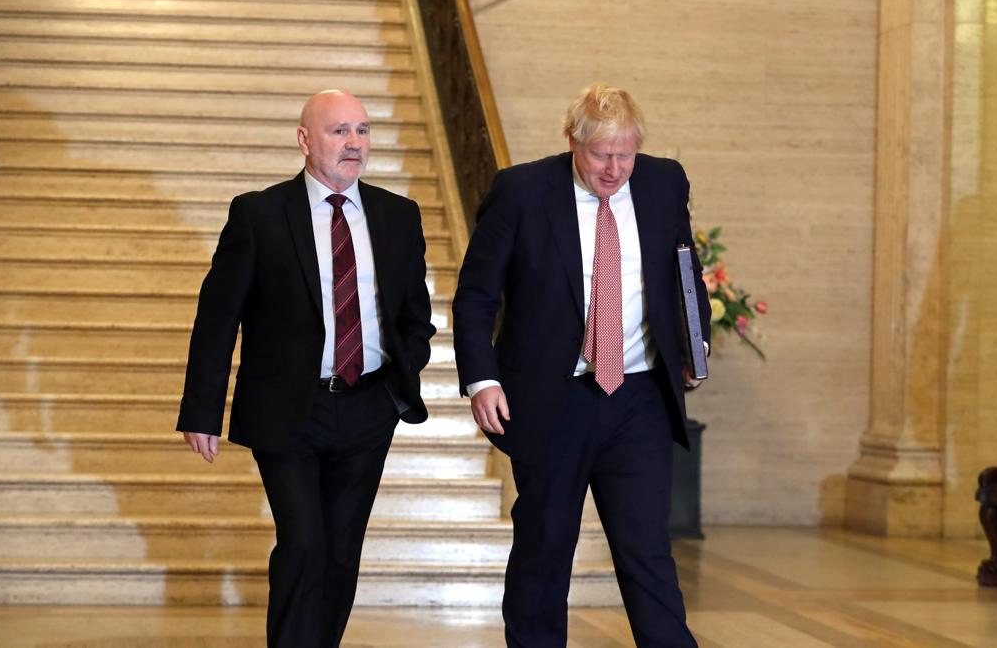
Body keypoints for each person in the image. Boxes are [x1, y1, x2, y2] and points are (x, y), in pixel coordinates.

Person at [453, 83, 710, 647]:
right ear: (573, 141)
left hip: (639, 397)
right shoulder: (521, 192)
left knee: (647, 551)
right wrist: (482, 378)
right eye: (601, 155)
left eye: (626, 154)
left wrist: (695, 344)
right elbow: (475, 295)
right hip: (552, 400)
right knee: (544, 550)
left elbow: (684, 273)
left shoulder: (665, 183)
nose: (615, 169)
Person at [176, 89, 436, 648]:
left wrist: (399, 379)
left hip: (369, 406)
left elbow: (415, 314)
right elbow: (218, 319)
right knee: (304, 545)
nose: (354, 143)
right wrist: (202, 409)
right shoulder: (259, 214)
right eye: (339, 131)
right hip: (288, 409)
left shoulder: (398, 215)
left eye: (362, 131)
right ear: (304, 140)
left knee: (341, 553)